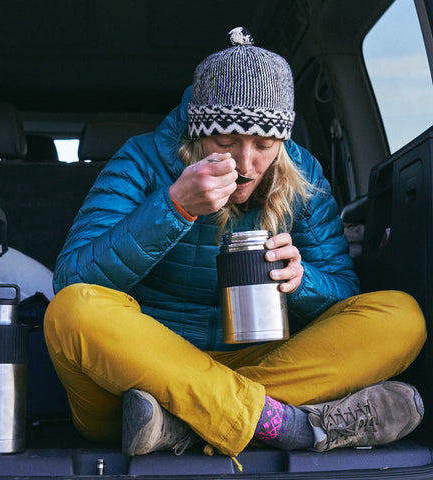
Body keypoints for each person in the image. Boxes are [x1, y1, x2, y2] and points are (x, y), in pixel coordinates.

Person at [44, 27, 427, 460]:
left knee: (402, 316)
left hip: (248, 371)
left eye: (264, 145)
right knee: (72, 310)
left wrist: (301, 281)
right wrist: (174, 208)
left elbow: (344, 295)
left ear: (282, 140)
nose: (246, 164)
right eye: (226, 142)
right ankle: (293, 426)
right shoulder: (142, 160)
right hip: (140, 376)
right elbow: (73, 277)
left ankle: (184, 425)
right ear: (197, 133)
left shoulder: (303, 175)